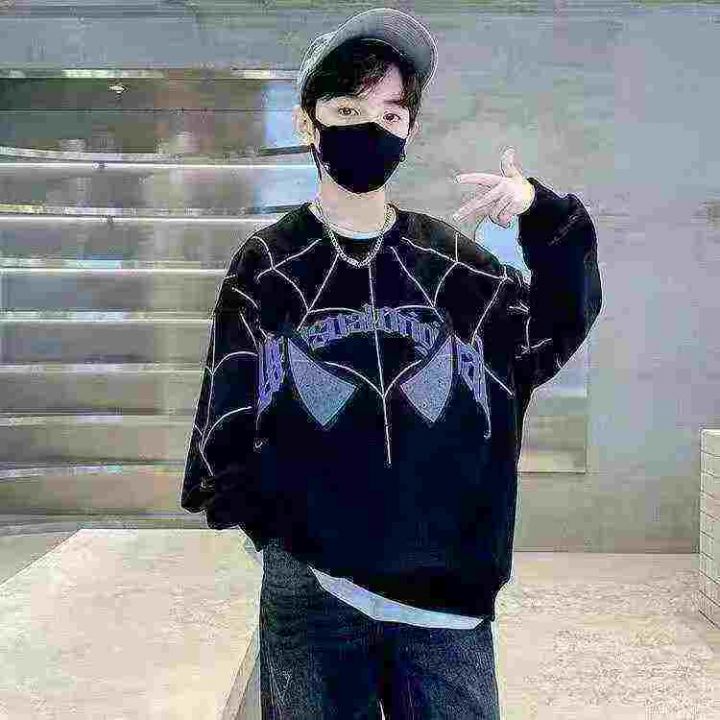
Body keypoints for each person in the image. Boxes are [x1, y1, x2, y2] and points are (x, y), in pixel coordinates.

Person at [181, 7, 602, 718]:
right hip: (312, 588)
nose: (370, 129)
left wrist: (542, 216)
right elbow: (225, 420)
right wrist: (282, 533)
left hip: (444, 596)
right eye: (347, 109)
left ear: (408, 131)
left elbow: (557, 325)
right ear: (308, 123)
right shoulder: (268, 265)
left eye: (390, 113)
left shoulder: (456, 267)